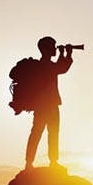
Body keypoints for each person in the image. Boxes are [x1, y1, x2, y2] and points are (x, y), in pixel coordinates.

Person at [25, 36, 73, 170]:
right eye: (52, 46)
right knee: (38, 133)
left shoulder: (46, 65)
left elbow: (59, 68)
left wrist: (65, 54)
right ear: (45, 49)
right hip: (45, 106)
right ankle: (30, 162)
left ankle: (50, 161)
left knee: (51, 132)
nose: (55, 48)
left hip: (50, 105)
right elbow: (61, 68)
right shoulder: (42, 66)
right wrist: (66, 54)